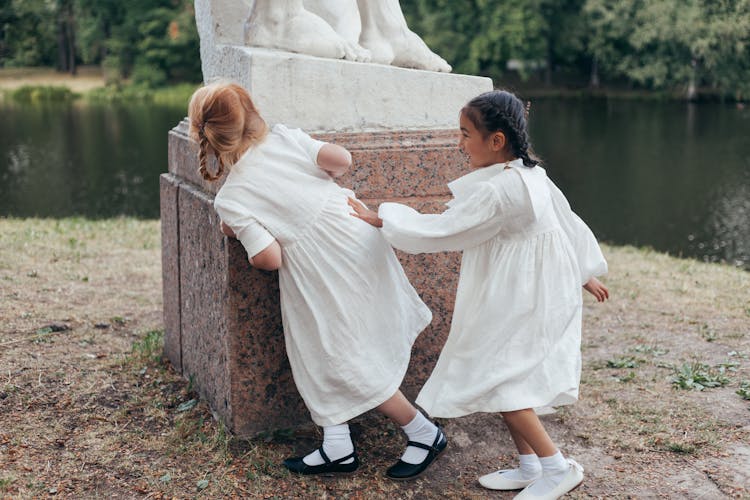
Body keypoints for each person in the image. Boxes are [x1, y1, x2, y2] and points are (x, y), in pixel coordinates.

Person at [349, 90, 609, 499]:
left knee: (503, 379)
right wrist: (583, 272)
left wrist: (384, 219)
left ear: (496, 141)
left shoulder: (503, 190)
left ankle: (557, 467)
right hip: (529, 289)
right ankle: (531, 465)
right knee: (507, 374)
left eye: (465, 134)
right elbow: (567, 220)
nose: (459, 143)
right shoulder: (527, 173)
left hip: (523, 294)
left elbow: (445, 229)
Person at [187, 81, 446, 480]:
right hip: (356, 238)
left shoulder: (233, 197)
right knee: (327, 352)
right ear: (252, 114)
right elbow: (340, 160)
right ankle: (337, 446)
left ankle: (422, 432)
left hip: (321, 270)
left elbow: (269, 259)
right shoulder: (286, 139)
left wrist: (237, 228)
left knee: (339, 353)